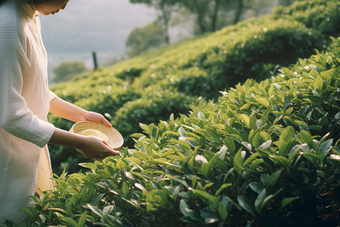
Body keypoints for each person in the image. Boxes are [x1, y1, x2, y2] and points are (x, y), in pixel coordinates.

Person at [0, 0, 120, 225]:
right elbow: (10, 113)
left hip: (28, 151)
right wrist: (80, 142)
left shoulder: (29, 16)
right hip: (9, 161)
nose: (65, 5)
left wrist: (80, 115)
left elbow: (33, 87)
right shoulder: (7, 26)